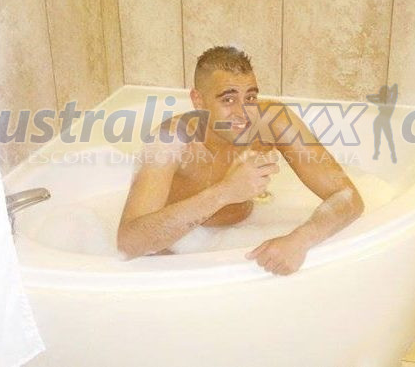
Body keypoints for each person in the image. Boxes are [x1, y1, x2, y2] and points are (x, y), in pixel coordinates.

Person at [117, 46, 364, 275]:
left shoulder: (273, 122)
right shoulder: (171, 140)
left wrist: (300, 240)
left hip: (240, 238)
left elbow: (348, 197)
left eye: (250, 98)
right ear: (198, 100)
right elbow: (128, 243)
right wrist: (225, 192)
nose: (243, 113)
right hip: (177, 250)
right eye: (228, 99)